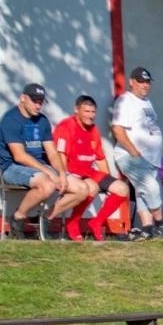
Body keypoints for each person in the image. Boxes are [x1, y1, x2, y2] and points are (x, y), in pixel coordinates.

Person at [52, 94, 131, 242]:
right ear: (76, 110)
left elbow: (100, 158)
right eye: (86, 111)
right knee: (92, 187)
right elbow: (60, 155)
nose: (90, 115)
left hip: (89, 172)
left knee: (122, 189)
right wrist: (63, 176)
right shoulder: (66, 127)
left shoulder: (93, 129)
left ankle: (96, 222)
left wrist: (108, 181)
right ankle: (73, 222)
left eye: (93, 112)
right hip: (72, 172)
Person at [0, 82, 63, 238]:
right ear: (23, 98)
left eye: (41, 102)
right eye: (34, 101)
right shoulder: (11, 120)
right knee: (47, 184)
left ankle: (45, 220)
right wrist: (48, 172)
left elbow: (52, 153)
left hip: (37, 166)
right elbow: (19, 156)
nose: (38, 106)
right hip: (12, 167)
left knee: (80, 188)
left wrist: (61, 174)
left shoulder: (42, 120)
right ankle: (18, 217)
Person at [109, 66, 163, 240]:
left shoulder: (147, 102)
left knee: (143, 192)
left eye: (147, 82)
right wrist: (133, 152)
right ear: (131, 82)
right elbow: (117, 129)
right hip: (132, 155)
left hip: (150, 157)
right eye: (141, 82)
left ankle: (147, 228)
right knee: (151, 188)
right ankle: (161, 225)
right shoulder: (125, 101)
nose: (145, 85)